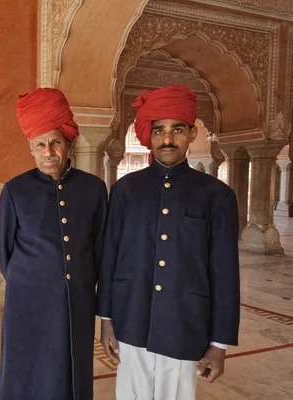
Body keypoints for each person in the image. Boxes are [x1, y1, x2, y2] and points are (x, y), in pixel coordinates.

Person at [97, 84, 240, 400]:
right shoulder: (125, 191)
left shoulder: (216, 196)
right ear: (147, 135)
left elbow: (226, 274)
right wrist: (106, 320)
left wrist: (219, 344)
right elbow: (109, 258)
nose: (167, 138)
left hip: (185, 322)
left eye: (177, 129)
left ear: (192, 134)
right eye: (159, 130)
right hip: (130, 316)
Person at [0, 88, 108, 399]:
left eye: (55, 142)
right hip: (27, 302)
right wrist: (33, 279)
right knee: (27, 369)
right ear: (31, 148)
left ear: (67, 143)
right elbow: (2, 251)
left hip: (78, 303)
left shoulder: (94, 189)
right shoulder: (15, 190)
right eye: (40, 144)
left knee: (71, 370)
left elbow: (100, 249)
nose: (48, 151)